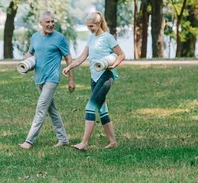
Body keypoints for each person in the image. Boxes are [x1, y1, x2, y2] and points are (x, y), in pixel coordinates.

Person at [62, 11, 125, 150]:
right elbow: (81, 57)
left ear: (98, 23)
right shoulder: (91, 39)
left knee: (90, 106)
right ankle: (113, 142)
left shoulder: (107, 37)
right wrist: (69, 66)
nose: (89, 29)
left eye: (91, 26)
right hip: (94, 77)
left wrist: (113, 65)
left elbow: (121, 54)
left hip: (105, 75)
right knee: (102, 109)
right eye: (88, 26)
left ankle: (84, 143)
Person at [19, 11, 75, 149]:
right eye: (47, 22)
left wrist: (71, 80)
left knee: (41, 108)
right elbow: (30, 52)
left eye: (52, 21)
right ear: (41, 23)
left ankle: (29, 141)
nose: (51, 24)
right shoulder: (35, 37)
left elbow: (68, 58)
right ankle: (63, 139)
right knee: (52, 110)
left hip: (52, 78)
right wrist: (26, 64)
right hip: (39, 78)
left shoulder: (59, 38)